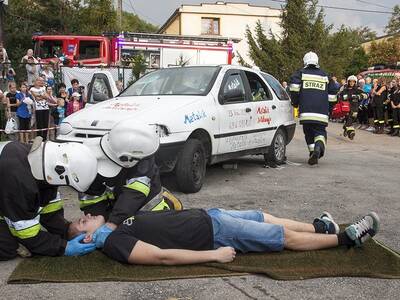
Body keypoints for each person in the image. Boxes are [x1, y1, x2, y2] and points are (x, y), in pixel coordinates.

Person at [68, 208, 380, 265]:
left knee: (263, 216)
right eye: (81, 224)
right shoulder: (112, 242)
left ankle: (320, 227)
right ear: (85, 240)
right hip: (212, 233)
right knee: (279, 235)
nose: (84, 218)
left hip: (209, 216)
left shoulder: (116, 226)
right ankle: (345, 238)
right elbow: (160, 256)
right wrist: (213, 255)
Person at [0, 137, 98, 260]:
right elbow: (26, 234)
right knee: (6, 246)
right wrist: (63, 247)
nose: (88, 215)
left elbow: (49, 212)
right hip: (9, 188)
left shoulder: (42, 166)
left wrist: (66, 230)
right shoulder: (18, 179)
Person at [78, 119, 181, 228]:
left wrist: (113, 222)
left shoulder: (142, 153)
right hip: (119, 216)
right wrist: (100, 220)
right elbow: (91, 198)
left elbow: (135, 192)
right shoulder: (93, 159)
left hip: (151, 217)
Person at [289, 51, 337, 165]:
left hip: (306, 112)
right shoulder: (325, 76)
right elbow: (333, 93)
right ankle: (318, 149)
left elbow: (294, 88)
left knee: (308, 132)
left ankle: (312, 152)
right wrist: (329, 108)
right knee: (320, 132)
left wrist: (295, 103)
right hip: (321, 112)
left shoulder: (300, 73)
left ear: (305, 61)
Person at [338, 75, 368, 140]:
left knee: (351, 119)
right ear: (348, 82)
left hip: (354, 108)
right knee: (348, 119)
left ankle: (351, 132)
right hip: (345, 108)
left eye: (353, 82)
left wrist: (359, 96)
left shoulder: (358, 89)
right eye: (350, 81)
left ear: (355, 82)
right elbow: (340, 97)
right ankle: (348, 130)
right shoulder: (345, 90)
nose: (352, 83)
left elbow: (366, 95)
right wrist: (348, 97)